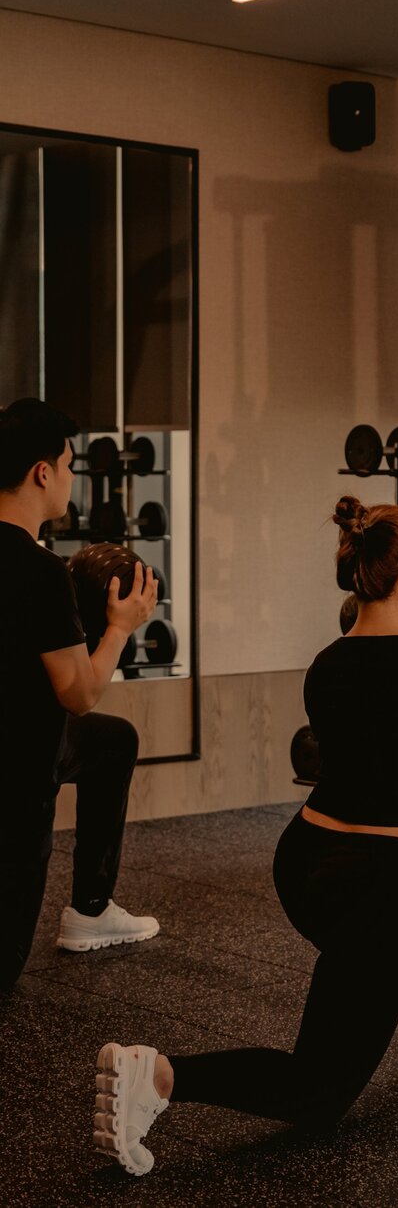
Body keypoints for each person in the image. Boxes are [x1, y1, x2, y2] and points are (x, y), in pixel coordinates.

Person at [93, 495, 398, 1177]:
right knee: (318, 1090)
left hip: (305, 864)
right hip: (380, 891)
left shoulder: (327, 664)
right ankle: (158, 1074)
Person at [0, 398, 160, 992]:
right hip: (18, 782)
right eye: (69, 465)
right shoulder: (42, 574)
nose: (71, 478)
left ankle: (91, 910)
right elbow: (80, 693)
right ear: (43, 472)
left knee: (112, 741)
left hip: (27, 743)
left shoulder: (44, 569)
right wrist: (121, 625)